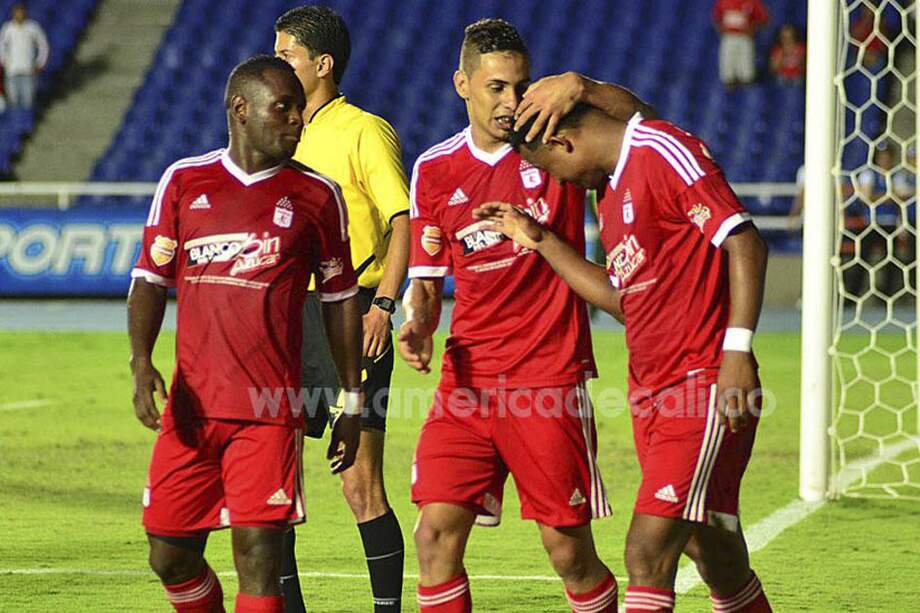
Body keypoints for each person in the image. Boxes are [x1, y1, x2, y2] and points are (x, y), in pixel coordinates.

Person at [475, 103, 773, 612]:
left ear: (562, 144)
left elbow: (744, 242)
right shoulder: (608, 192)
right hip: (652, 392)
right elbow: (624, 301)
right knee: (711, 547)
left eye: (550, 169)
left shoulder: (661, 150)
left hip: (702, 382)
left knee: (647, 550)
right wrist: (542, 240)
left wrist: (737, 350)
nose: (558, 182)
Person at [398, 18, 652, 613]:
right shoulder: (434, 170)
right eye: (496, 88)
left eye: (520, 85)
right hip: (466, 383)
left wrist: (583, 88)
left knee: (567, 551)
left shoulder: (559, 141)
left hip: (548, 377)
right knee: (433, 537)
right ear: (462, 83)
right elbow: (429, 282)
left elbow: (644, 123)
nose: (511, 101)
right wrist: (418, 322)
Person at [128, 55, 364, 613]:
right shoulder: (184, 181)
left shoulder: (317, 196)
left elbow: (339, 300)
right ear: (240, 109)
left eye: (300, 112)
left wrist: (351, 400)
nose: (296, 121)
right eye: (283, 109)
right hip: (191, 409)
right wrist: (141, 362)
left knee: (258, 558)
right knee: (168, 552)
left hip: (269, 411)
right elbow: (149, 280)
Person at [273, 6, 410, 612]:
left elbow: (403, 220)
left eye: (287, 57)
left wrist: (384, 304)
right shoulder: (279, 134)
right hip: (286, 317)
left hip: (352, 311)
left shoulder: (364, 130)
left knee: (360, 483)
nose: (276, 66)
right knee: (275, 481)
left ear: (321, 64)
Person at [0, 3, 48, 110]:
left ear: (25, 12)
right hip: (12, 71)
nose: (19, 15)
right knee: (13, 102)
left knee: (28, 102)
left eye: (21, 12)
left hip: (28, 70)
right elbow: (1, 47)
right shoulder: (7, 28)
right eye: (16, 12)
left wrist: (39, 63)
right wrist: (4, 62)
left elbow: (43, 46)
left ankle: (28, 123)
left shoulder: (33, 27)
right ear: (13, 14)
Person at [712, 0, 769, 90]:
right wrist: (722, 30)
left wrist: (754, 29)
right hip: (728, 37)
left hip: (745, 38)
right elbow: (716, 18)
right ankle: (729, 90)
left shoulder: (753, 2)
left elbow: (763, 19)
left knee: (746, 68)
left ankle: (747, 91)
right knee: (727, 64)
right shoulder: (723, 2)